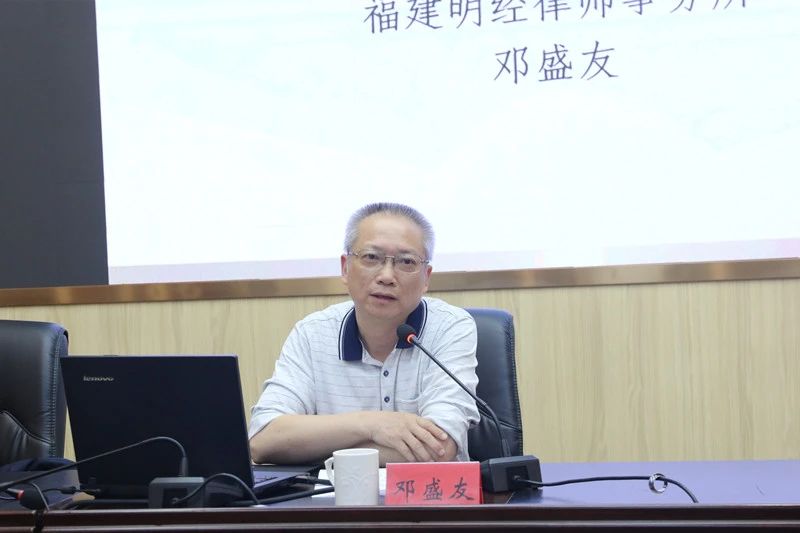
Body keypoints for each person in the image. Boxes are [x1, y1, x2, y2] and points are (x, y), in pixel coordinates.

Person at [248, 202, 479, 466]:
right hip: (333, 494)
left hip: (425, 493)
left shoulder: (450, 327)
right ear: (345, 268)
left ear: (426, 277)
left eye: (406, 262)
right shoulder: (313, 334)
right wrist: (371, 424)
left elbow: (438, 448)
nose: (386, 276)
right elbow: (263, 439)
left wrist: (318, 446)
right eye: (371, 257)